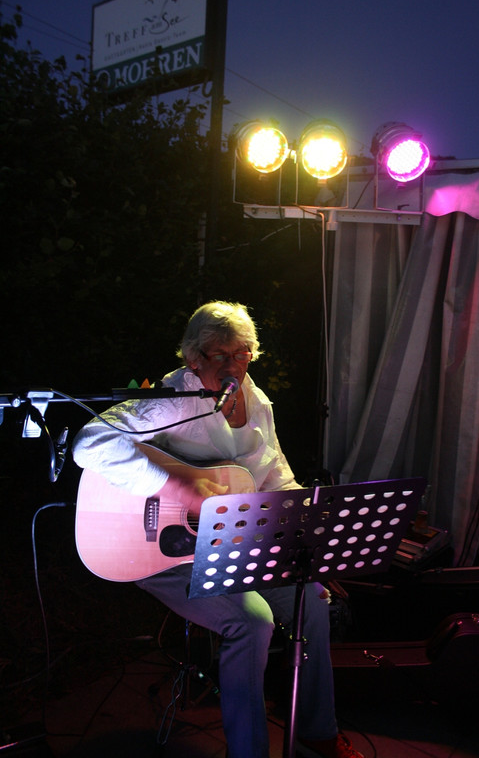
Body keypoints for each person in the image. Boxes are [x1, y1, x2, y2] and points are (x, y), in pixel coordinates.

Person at [73, 301, 364, 758]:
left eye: (242, 353)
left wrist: (307, 542)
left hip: (236, 542)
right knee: (252, 621)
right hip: (161, 550)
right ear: (194, 359)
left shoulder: (257, 400)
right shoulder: (174, 399)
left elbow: (275, 479)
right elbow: (90, 443)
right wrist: (176, 485)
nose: (234, 365)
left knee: (312, 601)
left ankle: (317, 730)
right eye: (220, 355)